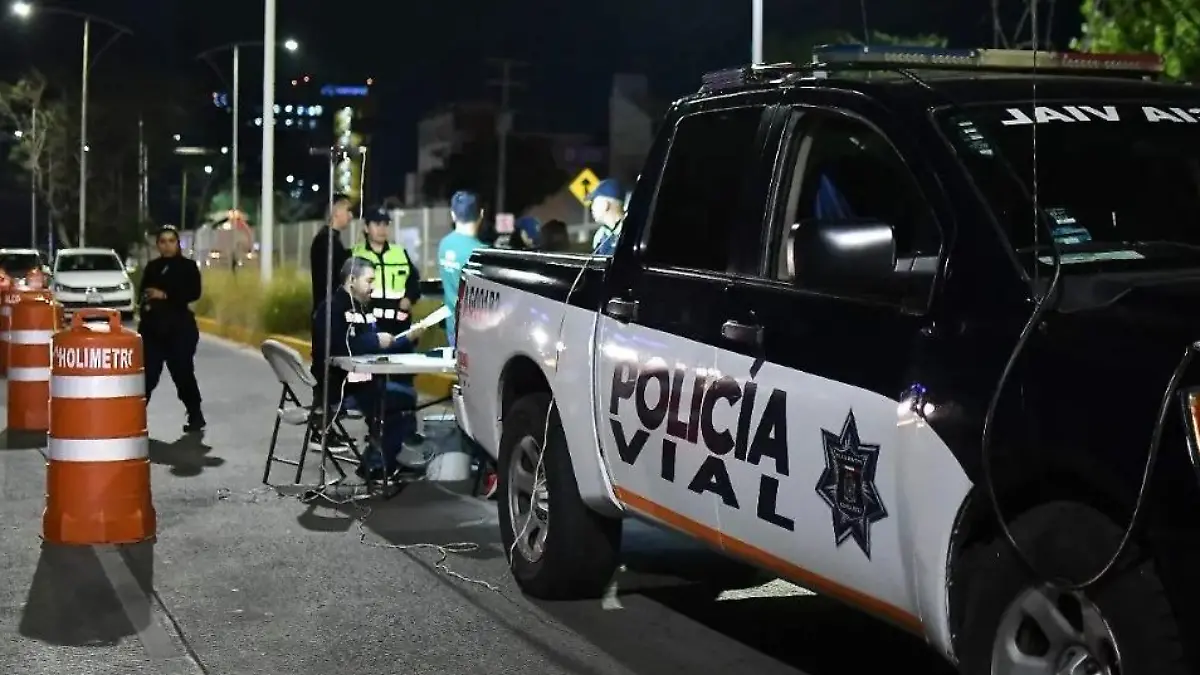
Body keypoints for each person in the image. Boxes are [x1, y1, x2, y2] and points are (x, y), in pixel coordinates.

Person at [311, 257, 426, 481]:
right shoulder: (332, 308)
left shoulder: (363, 309)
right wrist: (375, 341)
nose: (373, 287)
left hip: (362, 382)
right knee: (400, 399)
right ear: (352, 280)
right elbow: (338, 347)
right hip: (341, 389)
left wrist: (407, 339)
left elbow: (375, 349)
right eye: (369, 280)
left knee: (401, 395)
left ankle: (378, 462)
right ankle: (379, 463)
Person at [138, 225, 205, 432]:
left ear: (177, 243)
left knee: (183, 372)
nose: (167, 246)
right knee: (147, 375)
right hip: (153, 330)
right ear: (158, 245)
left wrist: (165, 295)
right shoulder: (152, 267)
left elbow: (194, 292)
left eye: (171, 241)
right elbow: (142, 292)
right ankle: (134, 418)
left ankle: (195, 414)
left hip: (179, 329)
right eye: (162, 242)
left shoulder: (188, 267)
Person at [350, 204, 421, 338]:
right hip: (367, 326)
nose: (382, 228)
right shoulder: (355, 254)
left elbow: (414, 282)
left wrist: (409, 298)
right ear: (366, 227)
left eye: (385, 224)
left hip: (399, 327)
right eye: (377, 223)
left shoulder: (399, 253)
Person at [437, 190, 486, 346]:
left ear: (453, 214)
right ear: (481, 214)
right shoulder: (481, 253)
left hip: (452, 327)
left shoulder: (444, 244)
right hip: (476, 331)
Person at [588, 178, 626, 254]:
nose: (591, 208)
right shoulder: (600, 235)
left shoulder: (633, 232)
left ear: (605, 205)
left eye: (594, 202)